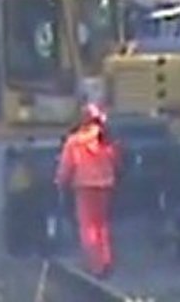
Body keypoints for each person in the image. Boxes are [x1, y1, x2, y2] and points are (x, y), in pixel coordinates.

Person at [55, 102, 119, 277]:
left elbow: (66, 167)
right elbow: (115, 161)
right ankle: (106, 260)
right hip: (105, 186)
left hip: (84, 187)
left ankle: (94, 265)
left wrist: (60, 183)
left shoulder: (74, 141)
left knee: (87, 226)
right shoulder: (106, 139)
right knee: (101, 225)